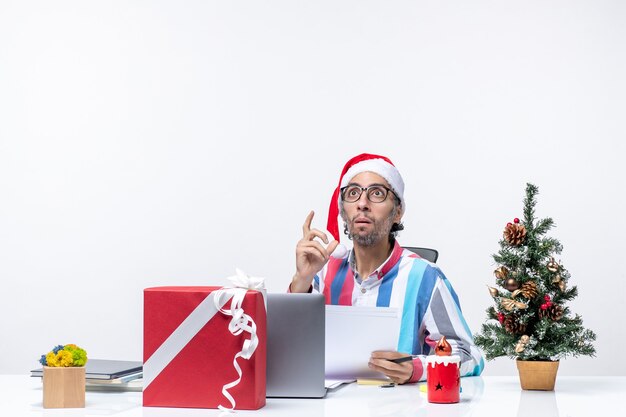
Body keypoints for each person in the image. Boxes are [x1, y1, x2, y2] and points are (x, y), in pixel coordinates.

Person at [290, 153, 484, 384]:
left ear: (397, 212)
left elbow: (470, 356)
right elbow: (291, 349)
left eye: (377, 194)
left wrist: (416, 368)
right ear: (343, 211)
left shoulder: (424, 277)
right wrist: (302, 280)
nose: (362, 203)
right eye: (353, 193)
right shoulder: (323, 272)